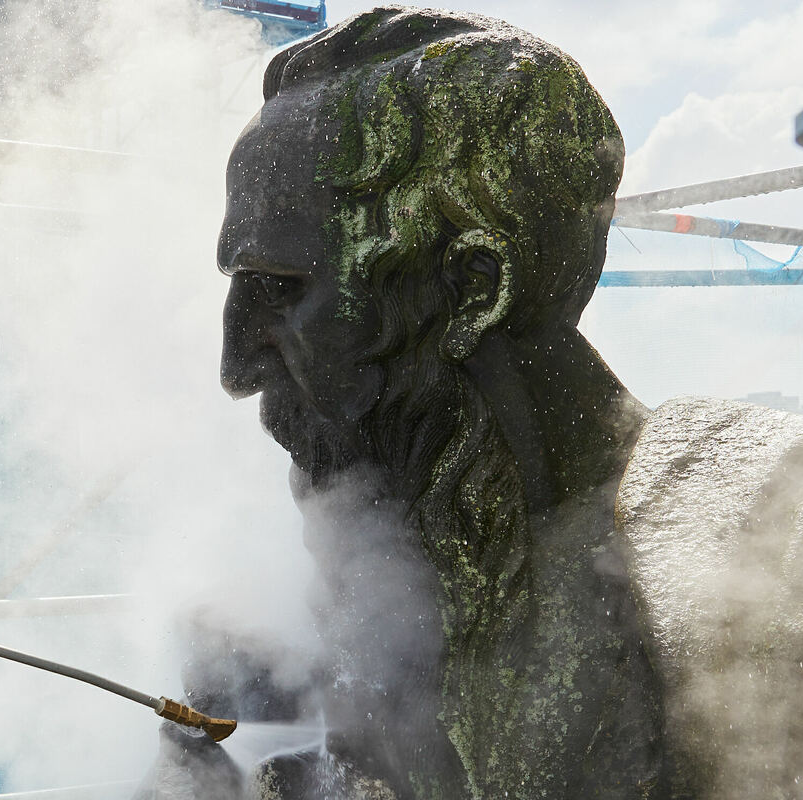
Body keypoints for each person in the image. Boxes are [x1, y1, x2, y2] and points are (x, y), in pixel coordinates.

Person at [138, 7, 667, 798]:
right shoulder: (370, 606)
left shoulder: (767, 580)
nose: (236, 366)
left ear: (470, 290)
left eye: (280, 290)